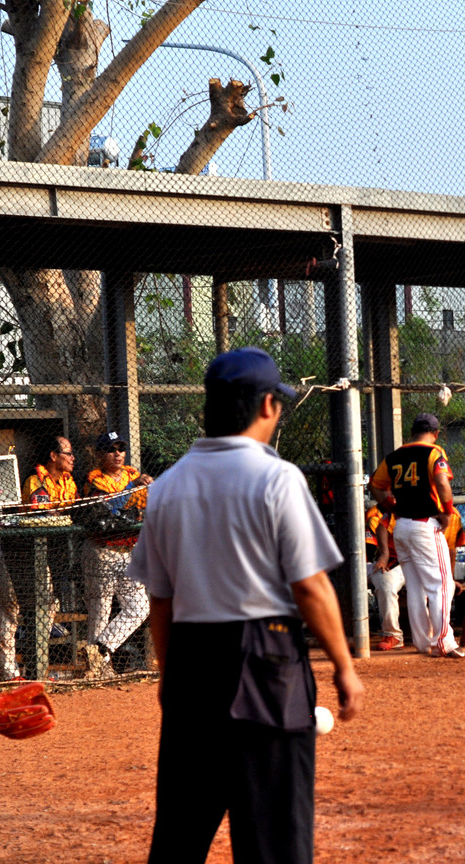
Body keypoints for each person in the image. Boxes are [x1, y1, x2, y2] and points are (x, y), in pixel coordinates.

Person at [127, 346, 364, 864]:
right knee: (274, 835)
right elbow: (311, 587)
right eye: (278, 402)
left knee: (181, 831)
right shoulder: (276, 478)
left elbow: (160, 601)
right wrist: (344, 667)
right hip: (266, 658)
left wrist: (170, 676)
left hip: (190, 659)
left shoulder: (166, 487)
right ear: (266, 406)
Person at [368, 413, 465, 659]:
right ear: (435, 434)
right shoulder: (434, 452)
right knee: (441, 585)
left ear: (411, 432)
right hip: (425, 525)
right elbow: (442, 484)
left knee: (416, 588)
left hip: (401, 526)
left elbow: (375, 485)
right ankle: (444, 642)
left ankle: (424, 643)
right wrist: (446, 512)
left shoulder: (394, 456)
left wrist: (391, 506)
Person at [0, 435, 77, 679]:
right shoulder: (35, 479)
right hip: (12, 549)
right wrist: (61, 511)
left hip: (38, 554)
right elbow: (43, 514)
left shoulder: (69, 482)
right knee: (9, 607)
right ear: (53, 456)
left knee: (47, 604)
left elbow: (71, 510)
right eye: (67, 453)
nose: (72, 458)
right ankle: (9, 672)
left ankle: (36, 661)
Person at [80, 431, 153, 678]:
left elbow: (145, 506)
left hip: (128, 551)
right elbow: (110, 509)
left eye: (121, 448)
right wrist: (133, 488)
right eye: (111, 449)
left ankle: (100, 650)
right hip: (102, 551)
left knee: (139, 607)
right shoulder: (94, 479)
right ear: (100, 454)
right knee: (100, 610)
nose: (118, 454)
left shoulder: (134, 474)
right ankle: (98, 669)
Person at [365, 501, 406, 651]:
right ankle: (348, 632)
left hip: (410, 564)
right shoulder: (377, 515)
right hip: (386, 563)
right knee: (346, 575)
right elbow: (372, 550)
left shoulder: (435, 511)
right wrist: (384, 555)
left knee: (385, 581)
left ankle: (393, 634)